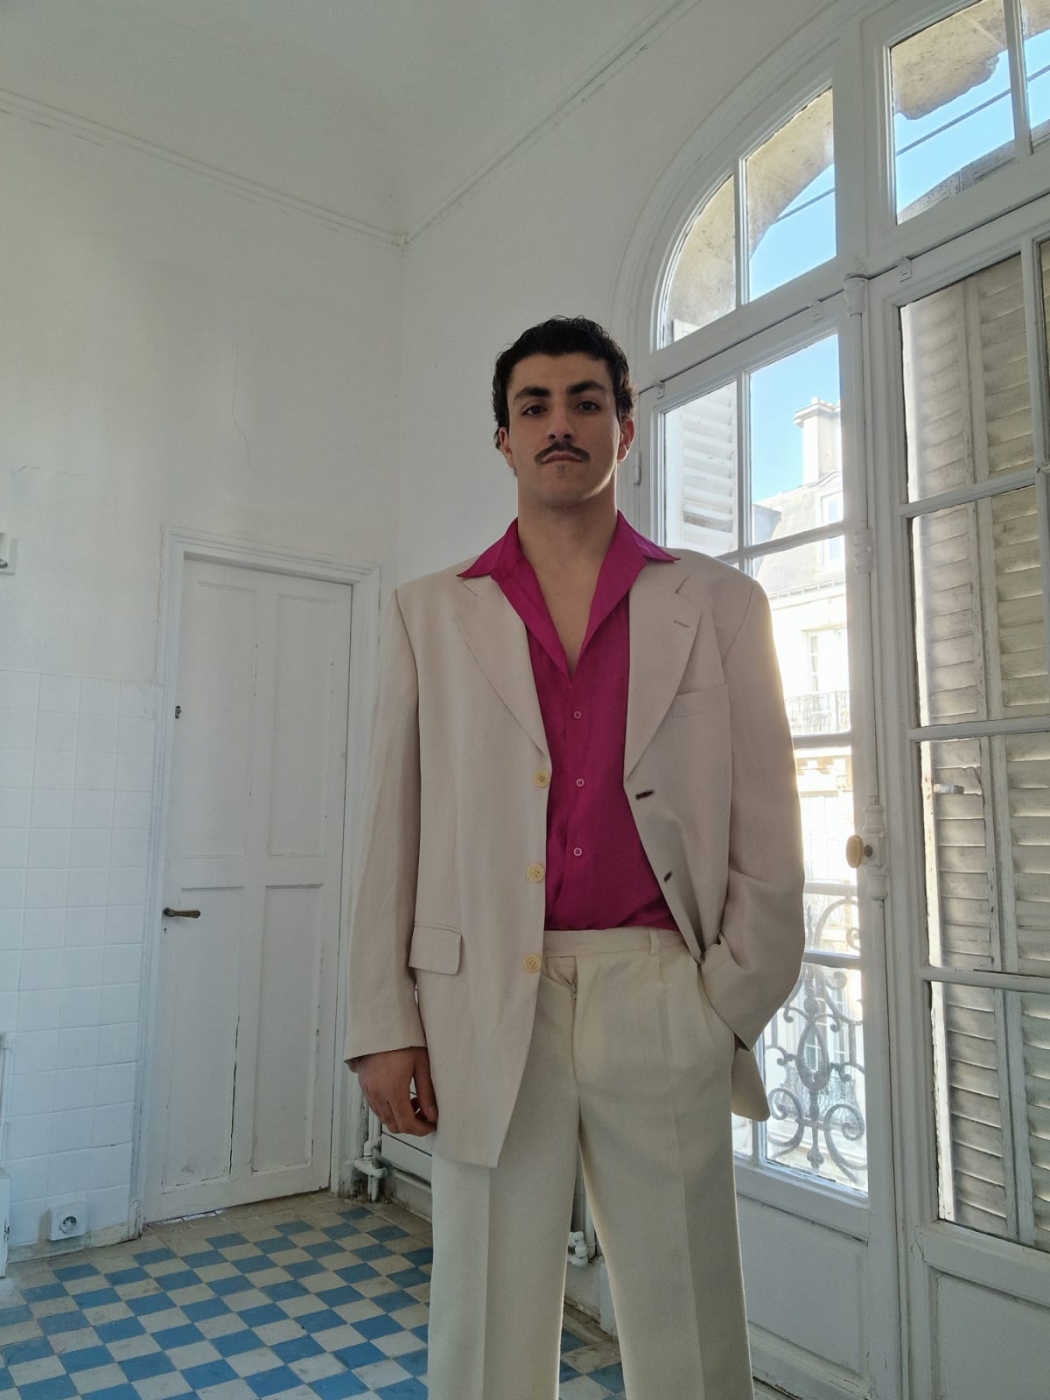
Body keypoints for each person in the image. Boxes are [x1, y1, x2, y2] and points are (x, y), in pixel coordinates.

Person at [344, 316, 804, 1400]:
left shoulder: (721, 606)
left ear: (625, 429)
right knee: (485, 1322)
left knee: (689, 1321)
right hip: (481, 999)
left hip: (663, 990)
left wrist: (727, 1001)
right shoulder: (429, 614)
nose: (561, 424)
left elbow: (770, 828)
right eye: (535, 405)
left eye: (587, 402)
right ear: (503, 437)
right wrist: (383, 1023)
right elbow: (392, 827)